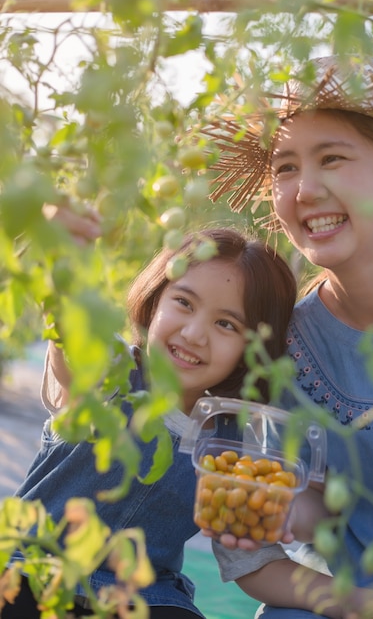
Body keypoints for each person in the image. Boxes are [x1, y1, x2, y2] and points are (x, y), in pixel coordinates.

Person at [203, 55, 373, 618]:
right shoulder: (275, 357)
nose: (305, 190)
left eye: (333, 158)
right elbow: (252, 554)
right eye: (285, 169)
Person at [1, 224, 296, 619]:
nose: (193, 334)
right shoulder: (114, 371)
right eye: (184, 303)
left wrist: (351, 600)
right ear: (155, 301)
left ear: (254, 351)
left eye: (226, 324)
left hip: (145, 595)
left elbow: (255, 564)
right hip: (34, 564)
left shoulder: (233, 446)